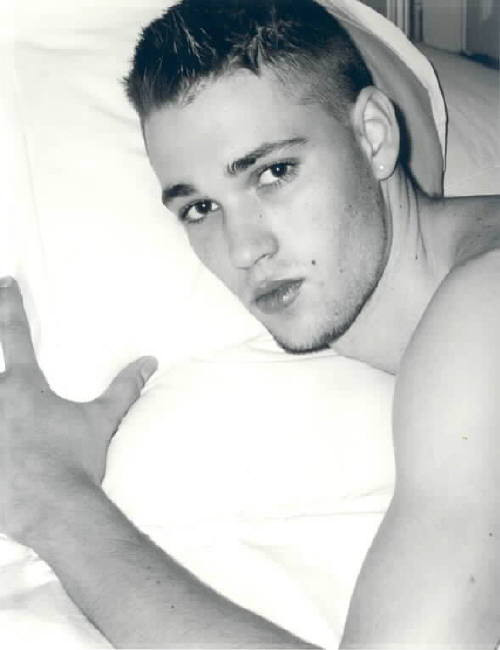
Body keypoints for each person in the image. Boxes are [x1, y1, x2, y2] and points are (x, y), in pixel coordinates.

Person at [2, 0, 499, 647]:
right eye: (201, 207)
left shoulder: (482, 309)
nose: (244, 248)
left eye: (273, 173)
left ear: (374, 136)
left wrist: (54, 502)